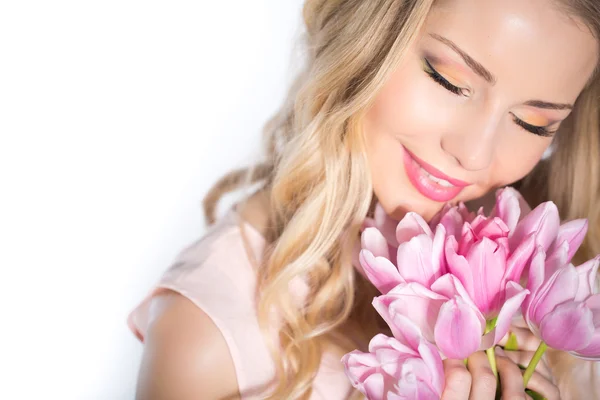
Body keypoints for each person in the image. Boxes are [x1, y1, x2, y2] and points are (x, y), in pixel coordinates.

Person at [128, 0, 600, 398]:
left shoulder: (555, 294)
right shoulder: (206, 343)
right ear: (367, 39)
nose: (474, 155)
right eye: (448, 80)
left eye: (534, 124)